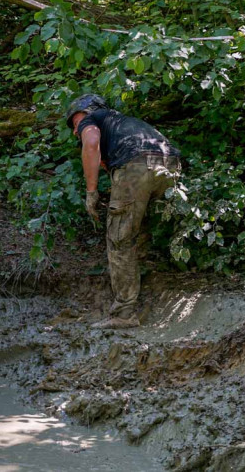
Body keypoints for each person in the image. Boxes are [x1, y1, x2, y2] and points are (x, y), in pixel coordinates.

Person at [66, 94, 181, 329]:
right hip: (171, 164)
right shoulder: (125, 124)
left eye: (75, 123)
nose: (75, 131)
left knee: (119, 237)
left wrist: (91, 192)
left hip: (137, 166)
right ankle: (148, 276)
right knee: (141, 226)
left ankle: (124, 312)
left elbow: (91, 145)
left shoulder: (92, 120)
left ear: (87, 112)